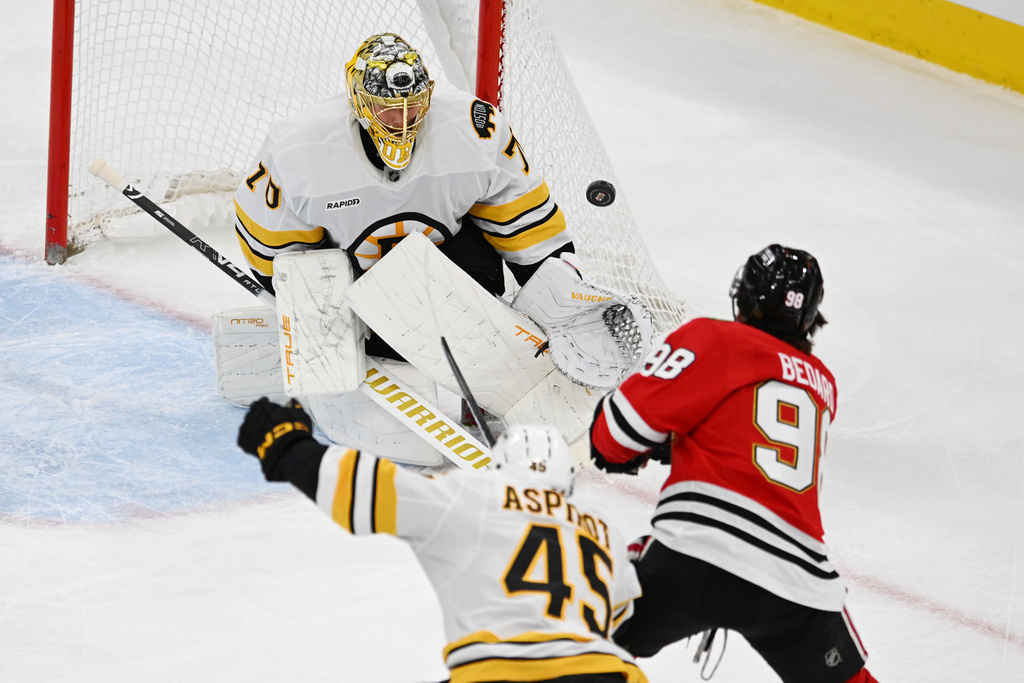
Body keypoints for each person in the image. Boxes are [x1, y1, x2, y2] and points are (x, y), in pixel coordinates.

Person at [230, 32, 579, 467]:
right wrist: (307, 316)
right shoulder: (300, 148)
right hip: (350, 284)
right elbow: (274, 250)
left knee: (486, 268)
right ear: (359, 102)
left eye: (413, 104)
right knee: (413, 445)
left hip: (448, 272)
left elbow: (526, 221)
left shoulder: (473, 127)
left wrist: (563, 307)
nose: (403, 118)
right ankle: (365, 357)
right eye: (388, 108)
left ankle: (483, 372)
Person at [589, 245, 879, 683]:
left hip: (696, 554)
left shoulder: (716, 338)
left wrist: (641, 444)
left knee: (572, 629)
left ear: (744, 297)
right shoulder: (823, 385)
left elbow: (615, 436)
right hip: (797, 579)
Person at [236, 396, 649, 683]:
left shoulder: (473, 495)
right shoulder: (604, 531)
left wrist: (286, 444)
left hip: (501, 672)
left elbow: (361, 486)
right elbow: (624, 617)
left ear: (500, 467)